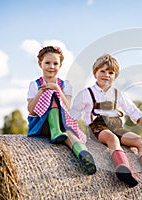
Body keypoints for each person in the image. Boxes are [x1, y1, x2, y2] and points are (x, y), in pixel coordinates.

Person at [70, 53, 142, 188]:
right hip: (98, 128)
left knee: (140, 141)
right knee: (112, 139)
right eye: (102, 71)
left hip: (117, 127)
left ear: (115, 76)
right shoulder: (85, 94)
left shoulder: (117, 94)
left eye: (111, 72)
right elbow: (73, 116)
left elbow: (134, 112)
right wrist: (74, 136)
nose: (106, 75)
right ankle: (124, 170)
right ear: (95, 73)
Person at [27, 46, 96, 175]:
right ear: (40, 63)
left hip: (61, 122)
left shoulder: (65, 85)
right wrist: (42, 91)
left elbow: (68, 106)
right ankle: (55, 131)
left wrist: (57, 89)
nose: (51, 66)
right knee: (50, 93)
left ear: (60, 65)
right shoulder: (35, 85)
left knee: (71, 136)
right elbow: (31, 111)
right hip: (41, 125)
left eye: (55, 63)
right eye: (47, 63)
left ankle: (84, 155)